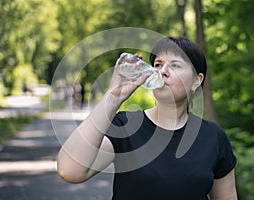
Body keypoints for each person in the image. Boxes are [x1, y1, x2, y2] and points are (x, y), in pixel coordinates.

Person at [57, 36, 238, 200]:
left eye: (175, 65)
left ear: (196, 81)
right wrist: (113, 98)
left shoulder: (213, 136)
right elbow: (70, 170)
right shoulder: (126, 126)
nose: (162, 71)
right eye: (158, 64)